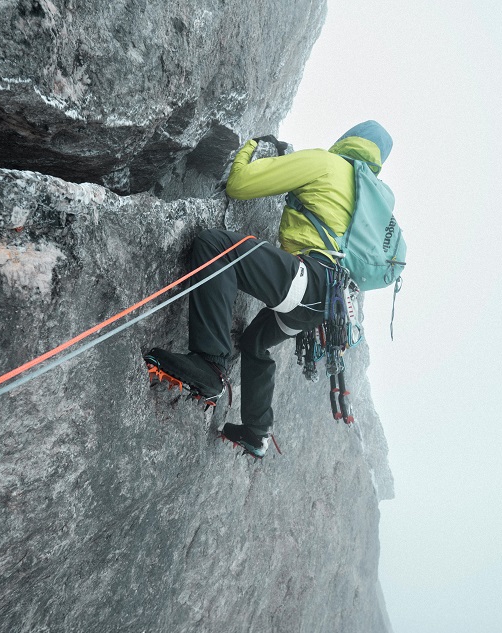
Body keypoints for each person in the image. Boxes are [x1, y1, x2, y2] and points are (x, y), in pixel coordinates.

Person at [145, 121, 393, 457]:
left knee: (216, 249)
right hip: (323, 308)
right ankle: (256, 432)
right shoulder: (373, 207)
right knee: (254, 343)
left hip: (307, 280)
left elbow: (240, 184)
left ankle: (208, 363)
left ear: (347, 139)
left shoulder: (327, 164)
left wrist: (253, 144)